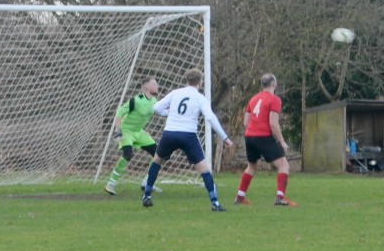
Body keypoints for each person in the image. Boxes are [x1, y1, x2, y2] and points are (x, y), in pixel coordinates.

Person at [143, 69, 233, 211]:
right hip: (188, 135)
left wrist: (169, 113)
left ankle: (147, 195)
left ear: (187, 80)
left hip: (170, 133)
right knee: (204, 169)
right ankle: (215, 202)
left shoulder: (175, 93)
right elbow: (210, 117)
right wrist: (225, 137)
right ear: (200, 82)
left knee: (157, 161)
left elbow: (156, 107)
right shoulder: (200, 98)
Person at [234, 73, 296, 206]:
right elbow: (273, 123)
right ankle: (280, 198)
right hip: (263, 136)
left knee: (252, 166)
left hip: (249, 136)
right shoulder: (274, 99)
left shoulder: (253, 99)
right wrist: (282, 141)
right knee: (284, 165)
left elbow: (246, 122)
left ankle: (240, 197)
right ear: (274, 84)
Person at [104, 77, 163, 196]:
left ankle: (147, 182)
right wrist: (117, 129)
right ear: (147, 87)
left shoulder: (154, 101)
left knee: (159, 155)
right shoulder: (136, 100)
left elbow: (162, 110)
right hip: (127, 131)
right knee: (128, 154)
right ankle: (111, 183)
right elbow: (119, 113)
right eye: (154, 84)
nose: (158, 86)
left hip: (139, 132)